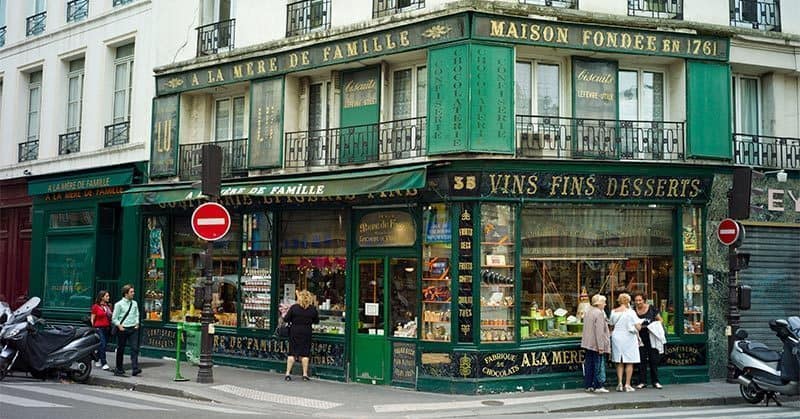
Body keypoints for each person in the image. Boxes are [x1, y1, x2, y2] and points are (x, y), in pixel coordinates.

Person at [283, 290, 319, 381]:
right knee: (305, 354)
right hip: (306, 332)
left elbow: (286, 319)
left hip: (294, 332)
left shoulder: (294, 308)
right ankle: (305, 374)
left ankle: (287, 373)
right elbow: (316, 321)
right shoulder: (312, 309)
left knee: (292, 353)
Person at [610, 293, 642, 392]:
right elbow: (638, 327)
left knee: (619, 361)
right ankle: (627, 384)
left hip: (617, 337)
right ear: (628, 301)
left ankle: (619, 383)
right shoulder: (631, 312)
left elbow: (611, 325)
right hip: (628, 337)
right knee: (629, 361)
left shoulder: (613, 312)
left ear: (619, 301)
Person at [581, 294, 611, 393]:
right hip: (596, 344)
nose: (605, 304)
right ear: (599, 303)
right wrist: (601, 346)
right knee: (598, 365)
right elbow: (599, 331)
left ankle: (588, 385)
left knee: (589, 364)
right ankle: (598, 385)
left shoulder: (588, 311)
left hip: (588, 343)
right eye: (604, 302)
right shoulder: (599, 313)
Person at [633, 292, 663, 389]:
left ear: (644, 300)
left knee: (653, 359)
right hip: (639, 338)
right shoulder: (633, 311)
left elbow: (660, 320)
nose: (638, 302)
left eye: (640, 300)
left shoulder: (652, 308)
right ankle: (642, 381)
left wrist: (652, 326)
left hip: (651, 336)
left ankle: (655, 381)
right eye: (636, 300)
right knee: (641, 360)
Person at [111, 284, 141, 377]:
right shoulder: (119, 304)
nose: (133, 293)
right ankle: (119, 368)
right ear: (125, 293)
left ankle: (135, 368)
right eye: (131, 292)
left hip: (133, 328)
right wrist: (119, 326)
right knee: (121, 349)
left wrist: (137, 323)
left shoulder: (134, 303)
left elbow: (137, 314)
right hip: (123, 329)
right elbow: (114, 318)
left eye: (133, 291)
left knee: (135, 348)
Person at [90, 290, 113, 370]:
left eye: (108, 296)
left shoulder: (108, 306)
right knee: (102, 344)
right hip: (99, 328)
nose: (108, 297)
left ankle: (96, 357)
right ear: (102, 297)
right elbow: (92, 318)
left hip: (107, 327)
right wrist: (93, 328)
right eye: (106, 296)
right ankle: (104, 363)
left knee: (103, 345)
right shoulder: (95, 307)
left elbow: (110, 317)